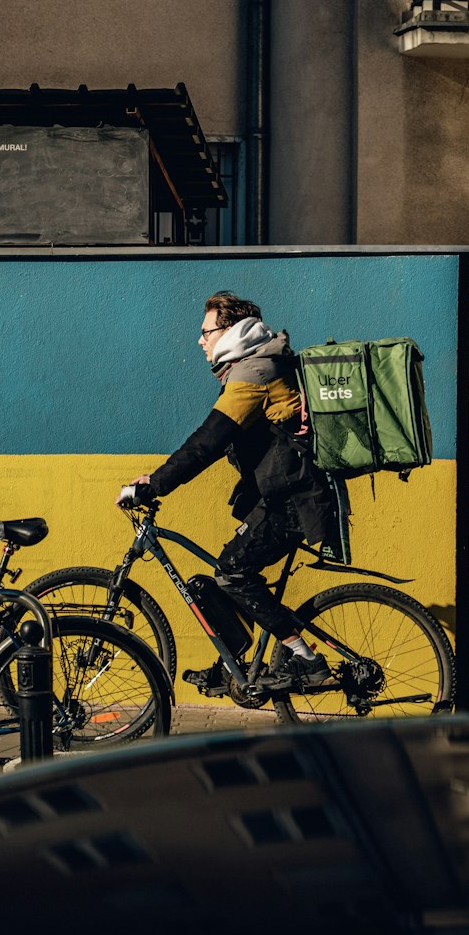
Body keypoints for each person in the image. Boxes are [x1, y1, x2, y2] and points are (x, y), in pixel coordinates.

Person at [116, 290, 336, 694]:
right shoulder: (250, 371)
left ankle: (306, 660)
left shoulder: (255, 374)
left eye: (206, 331)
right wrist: (159, 477)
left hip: (293, 503)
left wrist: (156, 483)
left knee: (234, 571)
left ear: (232, 330)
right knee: (221, 576)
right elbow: (217, 442)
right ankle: (232, 662)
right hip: (279, 499)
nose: (200, 341)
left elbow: (210, 441)